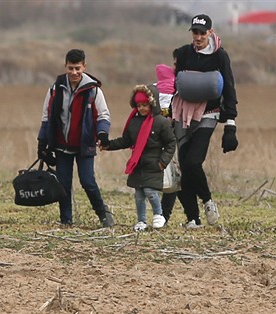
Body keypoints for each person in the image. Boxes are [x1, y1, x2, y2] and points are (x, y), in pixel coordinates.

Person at [172, 14, 238, 229]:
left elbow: (229, 87)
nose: (198, 37)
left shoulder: (220, 56)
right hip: (183, 113)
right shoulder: (183, 53)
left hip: (209, 113)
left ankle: (208, 201)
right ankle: (193, 218)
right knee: (184, 166)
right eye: (195, 32)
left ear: (210, 32)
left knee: (193, 162)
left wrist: (230, 124)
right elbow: (176, 83)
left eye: (202, 33)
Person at [37, 48, 114, 227]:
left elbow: (103, 116)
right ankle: (66, 220)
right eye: (71, 68)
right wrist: (42, 142)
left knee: (88, 182)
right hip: (61, 146)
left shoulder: (93, 90)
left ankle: (103, 214)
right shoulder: (55, 88)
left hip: (84, 145)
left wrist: (102, 134)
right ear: (65, 66)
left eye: (77, 68)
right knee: (63, 185)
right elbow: (46, 116)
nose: (74, 72)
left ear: (84, 67)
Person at [100, 85, 176, 230]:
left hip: (154, 164)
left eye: (144, 105)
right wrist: (108, 145)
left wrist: (162, 162)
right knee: (139, 195)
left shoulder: (161, 122)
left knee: (151, 192)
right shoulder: (134, 122)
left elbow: (171, 143)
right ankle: (141, 221)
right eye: (139, 105)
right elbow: (126, 141)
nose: (141, 108)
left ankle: (158, 215)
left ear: (152, 104)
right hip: (138, 164)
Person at [156, 49, 182, 225]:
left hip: (181, 135)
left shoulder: (190, 86)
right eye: (175, 64)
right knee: (171, 176)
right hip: (167, 138)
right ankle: (162, 216)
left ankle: (164, 216)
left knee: (175, 177)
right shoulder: (164, 86)